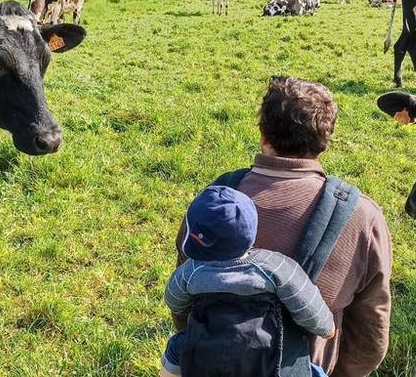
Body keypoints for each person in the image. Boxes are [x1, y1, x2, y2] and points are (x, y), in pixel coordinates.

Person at [176, 76, 392, 377]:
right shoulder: (362, 216)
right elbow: (371, 329)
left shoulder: (212, 204)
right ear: (325, 141)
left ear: (263, 135)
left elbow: (184, 297)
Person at [162, 185, 334, 377]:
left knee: (176, 349)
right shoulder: (273, 265)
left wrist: (182, 308)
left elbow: (173, 299)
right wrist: (326, 328)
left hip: (207, 347)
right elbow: (305, 300)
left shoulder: (191, 271)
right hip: (270, 349)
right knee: (312, 370)